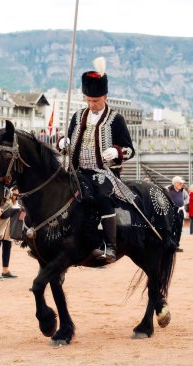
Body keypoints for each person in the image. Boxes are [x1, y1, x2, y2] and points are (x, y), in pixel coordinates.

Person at [59, 57, 135, 263]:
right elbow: (67, 137)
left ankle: (110, 246)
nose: (91, 105)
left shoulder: (116, 119)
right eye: (88, 100)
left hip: (104, 173)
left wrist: (117, 152)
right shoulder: (76, 116)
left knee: (102, 198)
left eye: (95, 101)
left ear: (105, 97)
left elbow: (130, 150)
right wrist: (62, 142)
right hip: (78, 170)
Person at [0, 186, 20, 280]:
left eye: (17, 190)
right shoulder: (4, 200)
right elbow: (0, 212)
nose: (16, 191)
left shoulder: (17, 202)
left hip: (9, 228)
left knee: (7, 248)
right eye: (14, 190)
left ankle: (5, 270)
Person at [165, 176, 189, 252]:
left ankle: (176, 245)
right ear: (175, 183)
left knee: (179, 229)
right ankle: (170, 245)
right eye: (180, 183)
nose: (182, 184)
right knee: (171, 228)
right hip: (171, 211)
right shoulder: (167, 189)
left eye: (182, 183)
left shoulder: (183, 190)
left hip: (180, 211)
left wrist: (182, 203)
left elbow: (187, 198)